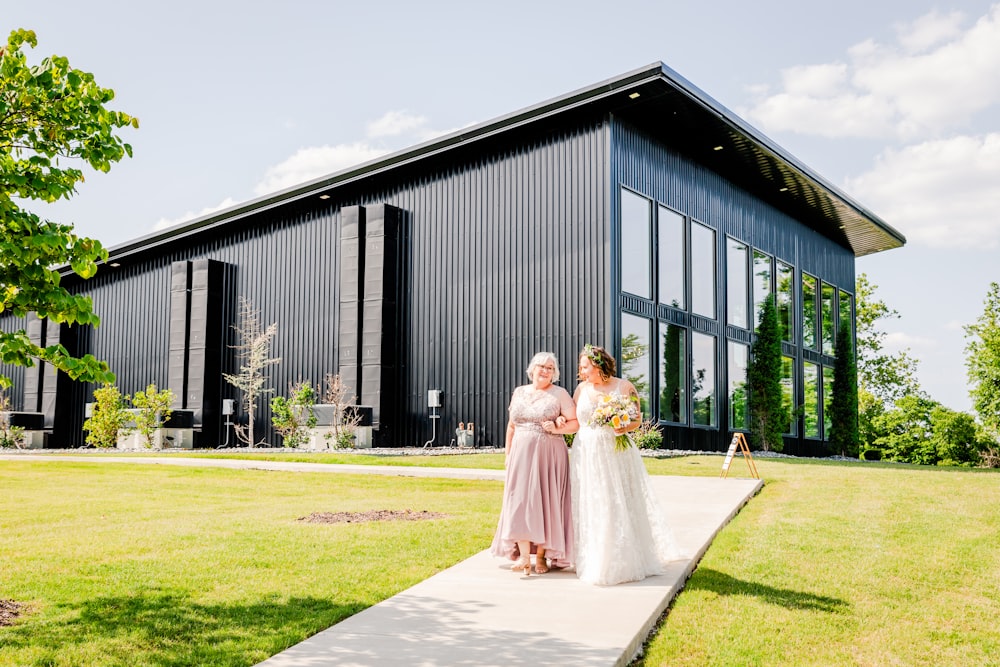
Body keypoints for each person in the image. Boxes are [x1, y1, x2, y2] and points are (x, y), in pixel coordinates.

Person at [569, 343, 684, 585]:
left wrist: (623, 426)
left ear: (599, 365)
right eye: (581, 367)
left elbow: (636, 419)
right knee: (592, 501)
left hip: (615, 451)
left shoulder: (625, 387)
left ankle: (619, 558)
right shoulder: (581, 389)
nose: (582, 371)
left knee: (617, 500)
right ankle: (591, 555)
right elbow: (573, 419)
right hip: (586, 453)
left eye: (585, 366)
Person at [490, 352, 578, 575]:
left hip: (548, 455)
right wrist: (508, 455)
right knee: (519, 502)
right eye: (542, 366)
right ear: (532, 368)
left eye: (550, 367)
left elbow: (575, 423)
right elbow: (511, 426)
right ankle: (523, 556)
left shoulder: (560, 394)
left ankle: (540, 557)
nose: (546, 370)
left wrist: (557, 428)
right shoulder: (519, 391)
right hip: (520, 454)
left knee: (544, 503)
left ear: (554, 373)